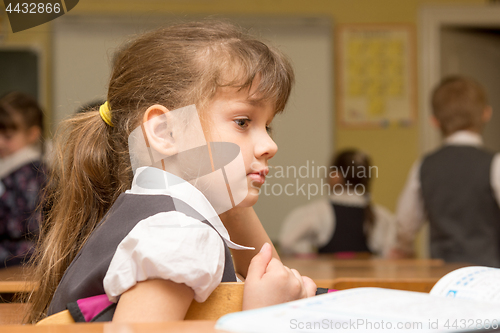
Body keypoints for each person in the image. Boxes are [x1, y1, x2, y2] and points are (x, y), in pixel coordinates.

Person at [24, 21, 316, 324]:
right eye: (243, 122)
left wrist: (229, 198)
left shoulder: (159, 216)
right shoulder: (179, 235)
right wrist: (262, 320)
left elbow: (278, 280)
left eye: (267, 126)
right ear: (164, 131)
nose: (270, 145)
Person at [390, 76, 500, 266]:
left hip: (442, 275)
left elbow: (405, 225)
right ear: (486, 114)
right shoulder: (494, 164)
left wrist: (405, 248)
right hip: (489, 274)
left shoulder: (424, 166)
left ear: (434, 121)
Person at [279, 149, 396, 257]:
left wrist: (314, 259)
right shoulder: (381, 216)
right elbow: (390, 252)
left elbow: (287, 243)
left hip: (328, 279)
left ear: (335, 175)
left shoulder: (318, 211)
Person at [0, 91, 46, 267]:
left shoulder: (30, 174)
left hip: (23, 258)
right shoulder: (10, 170)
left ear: (32, 134)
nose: (0, 143)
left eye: (8, 137)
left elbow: (24, 225)